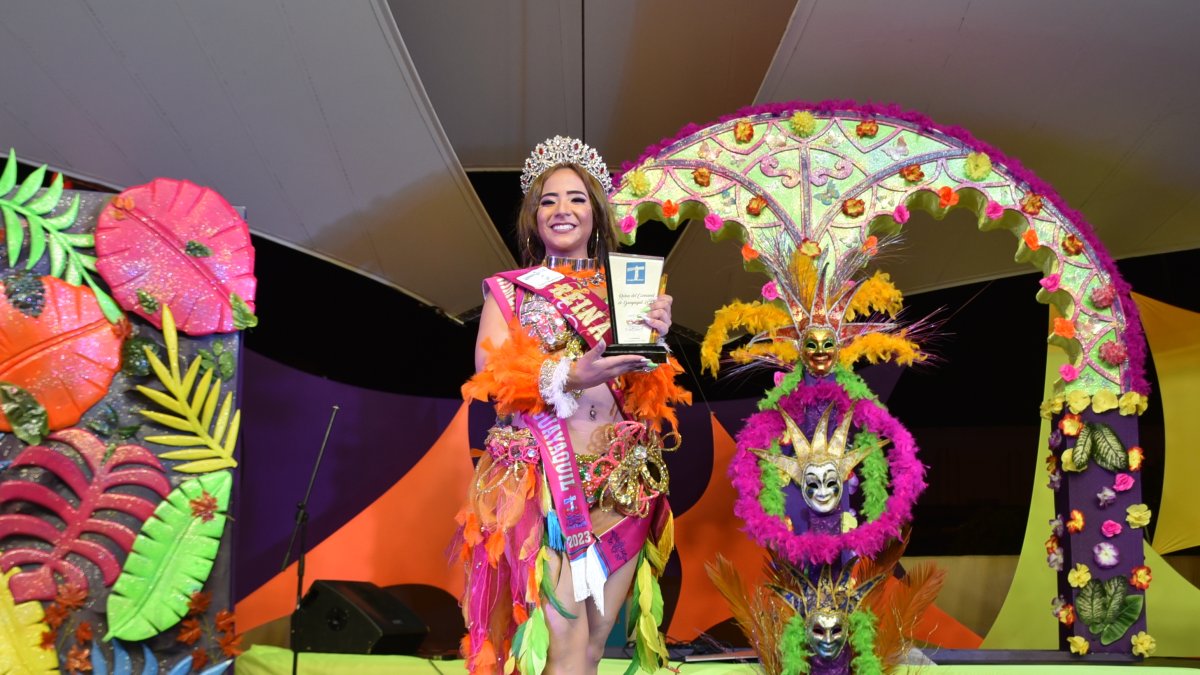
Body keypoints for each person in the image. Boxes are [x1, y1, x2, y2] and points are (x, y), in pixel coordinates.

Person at [457, 136, 690, 675]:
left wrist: (655, 341)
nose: (563, 210)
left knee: (592, 645)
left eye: (577, 198)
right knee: (563, 640)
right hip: (545, 480)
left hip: (624, 479)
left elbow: (646, 392)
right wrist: (570, 373)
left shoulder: (626, 289)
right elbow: (493, 379)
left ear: (597, 212)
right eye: (549, 200)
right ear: (533, 215)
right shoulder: (510, 291)